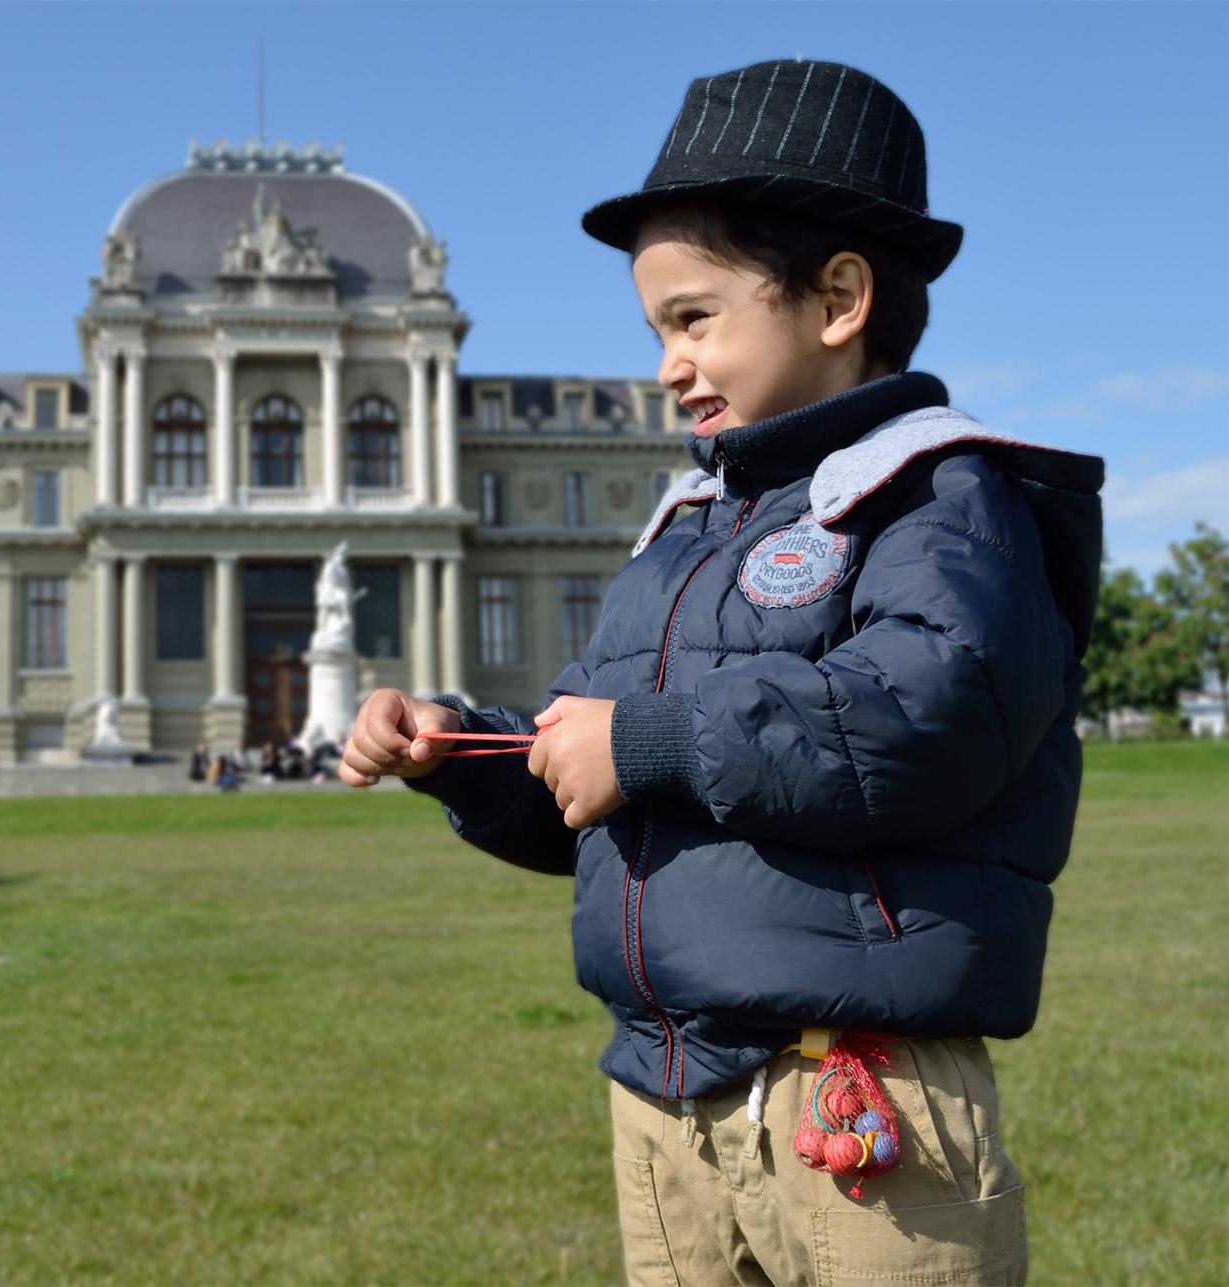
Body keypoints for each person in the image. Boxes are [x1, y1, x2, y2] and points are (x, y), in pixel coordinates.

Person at [340, 61, 1101, 1286]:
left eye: (694, 320)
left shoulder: (942, 500)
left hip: (858, 1098)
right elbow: (590, 772)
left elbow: (925, 715)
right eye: (656, 331)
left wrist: (642, 741)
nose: (667, 367)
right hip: (666, 1097)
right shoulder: (690, 536)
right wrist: (467, 753)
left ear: (840, 298)